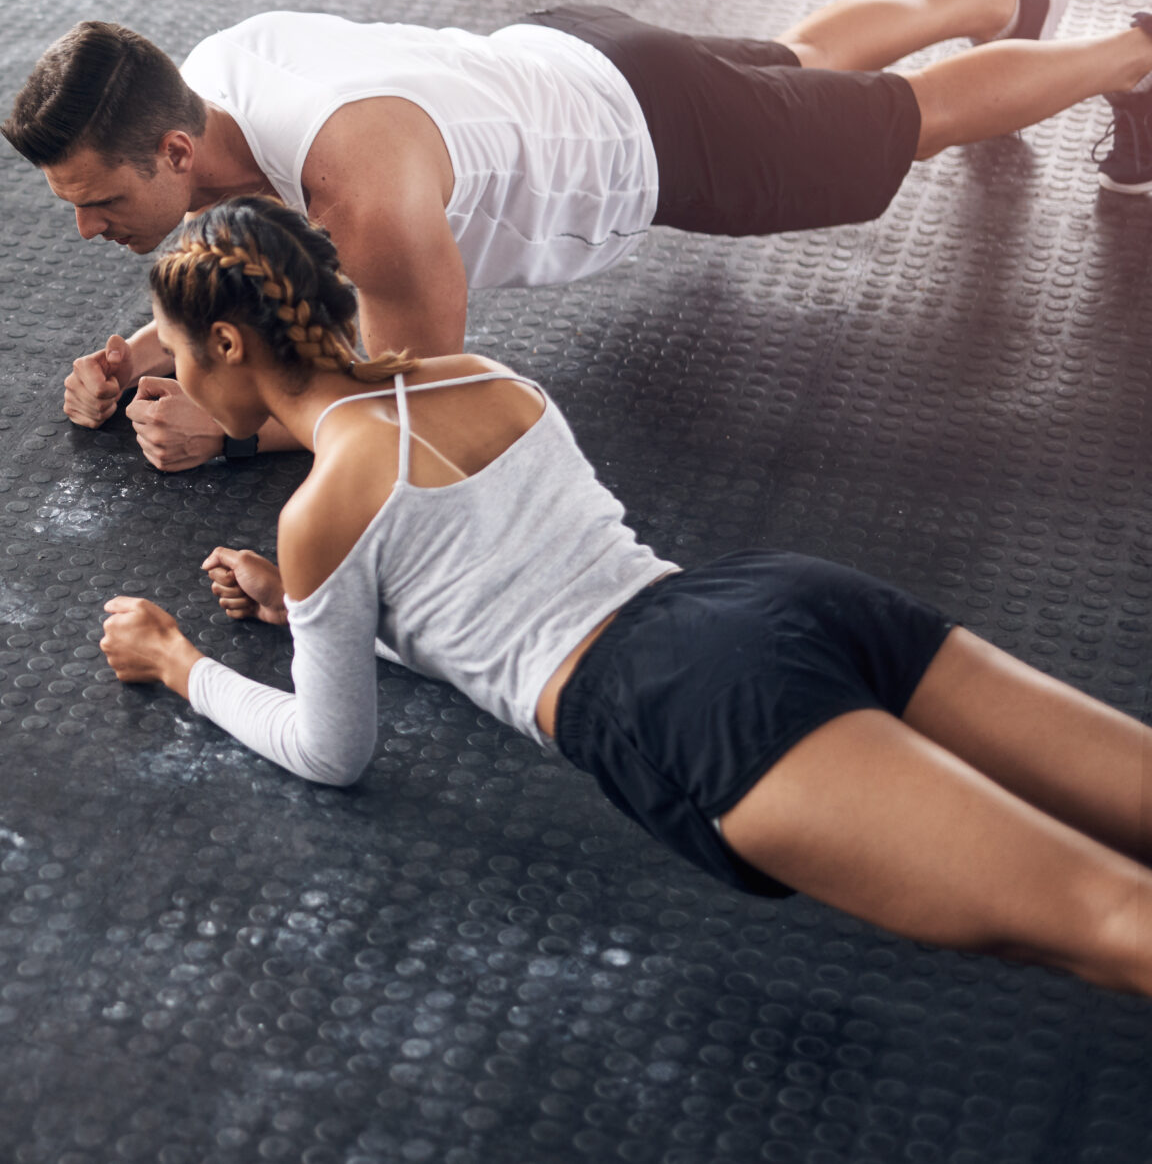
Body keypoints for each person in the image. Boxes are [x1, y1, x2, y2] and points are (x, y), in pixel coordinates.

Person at [93, 196, 1152, 995]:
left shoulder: (322, 507)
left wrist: (181, 662)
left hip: (685, 702)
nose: (177, 379)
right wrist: (314, 612)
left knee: (1108, 914)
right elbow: (481, 588)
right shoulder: (480, 375)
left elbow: (333, 754)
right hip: (775, 598)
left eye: (180, 354)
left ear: (226, 341)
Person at [1, 0, 1152, 470]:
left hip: (640, 139)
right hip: (568, 49)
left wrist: (231, 426)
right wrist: (151, 347)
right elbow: (254, 239)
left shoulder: (368, 196)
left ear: (171, 148)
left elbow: (421, 400)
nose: (87, 229)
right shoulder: (207, 83)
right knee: (798, 64)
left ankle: (1129, 56)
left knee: (907, 118)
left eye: (100, 203)